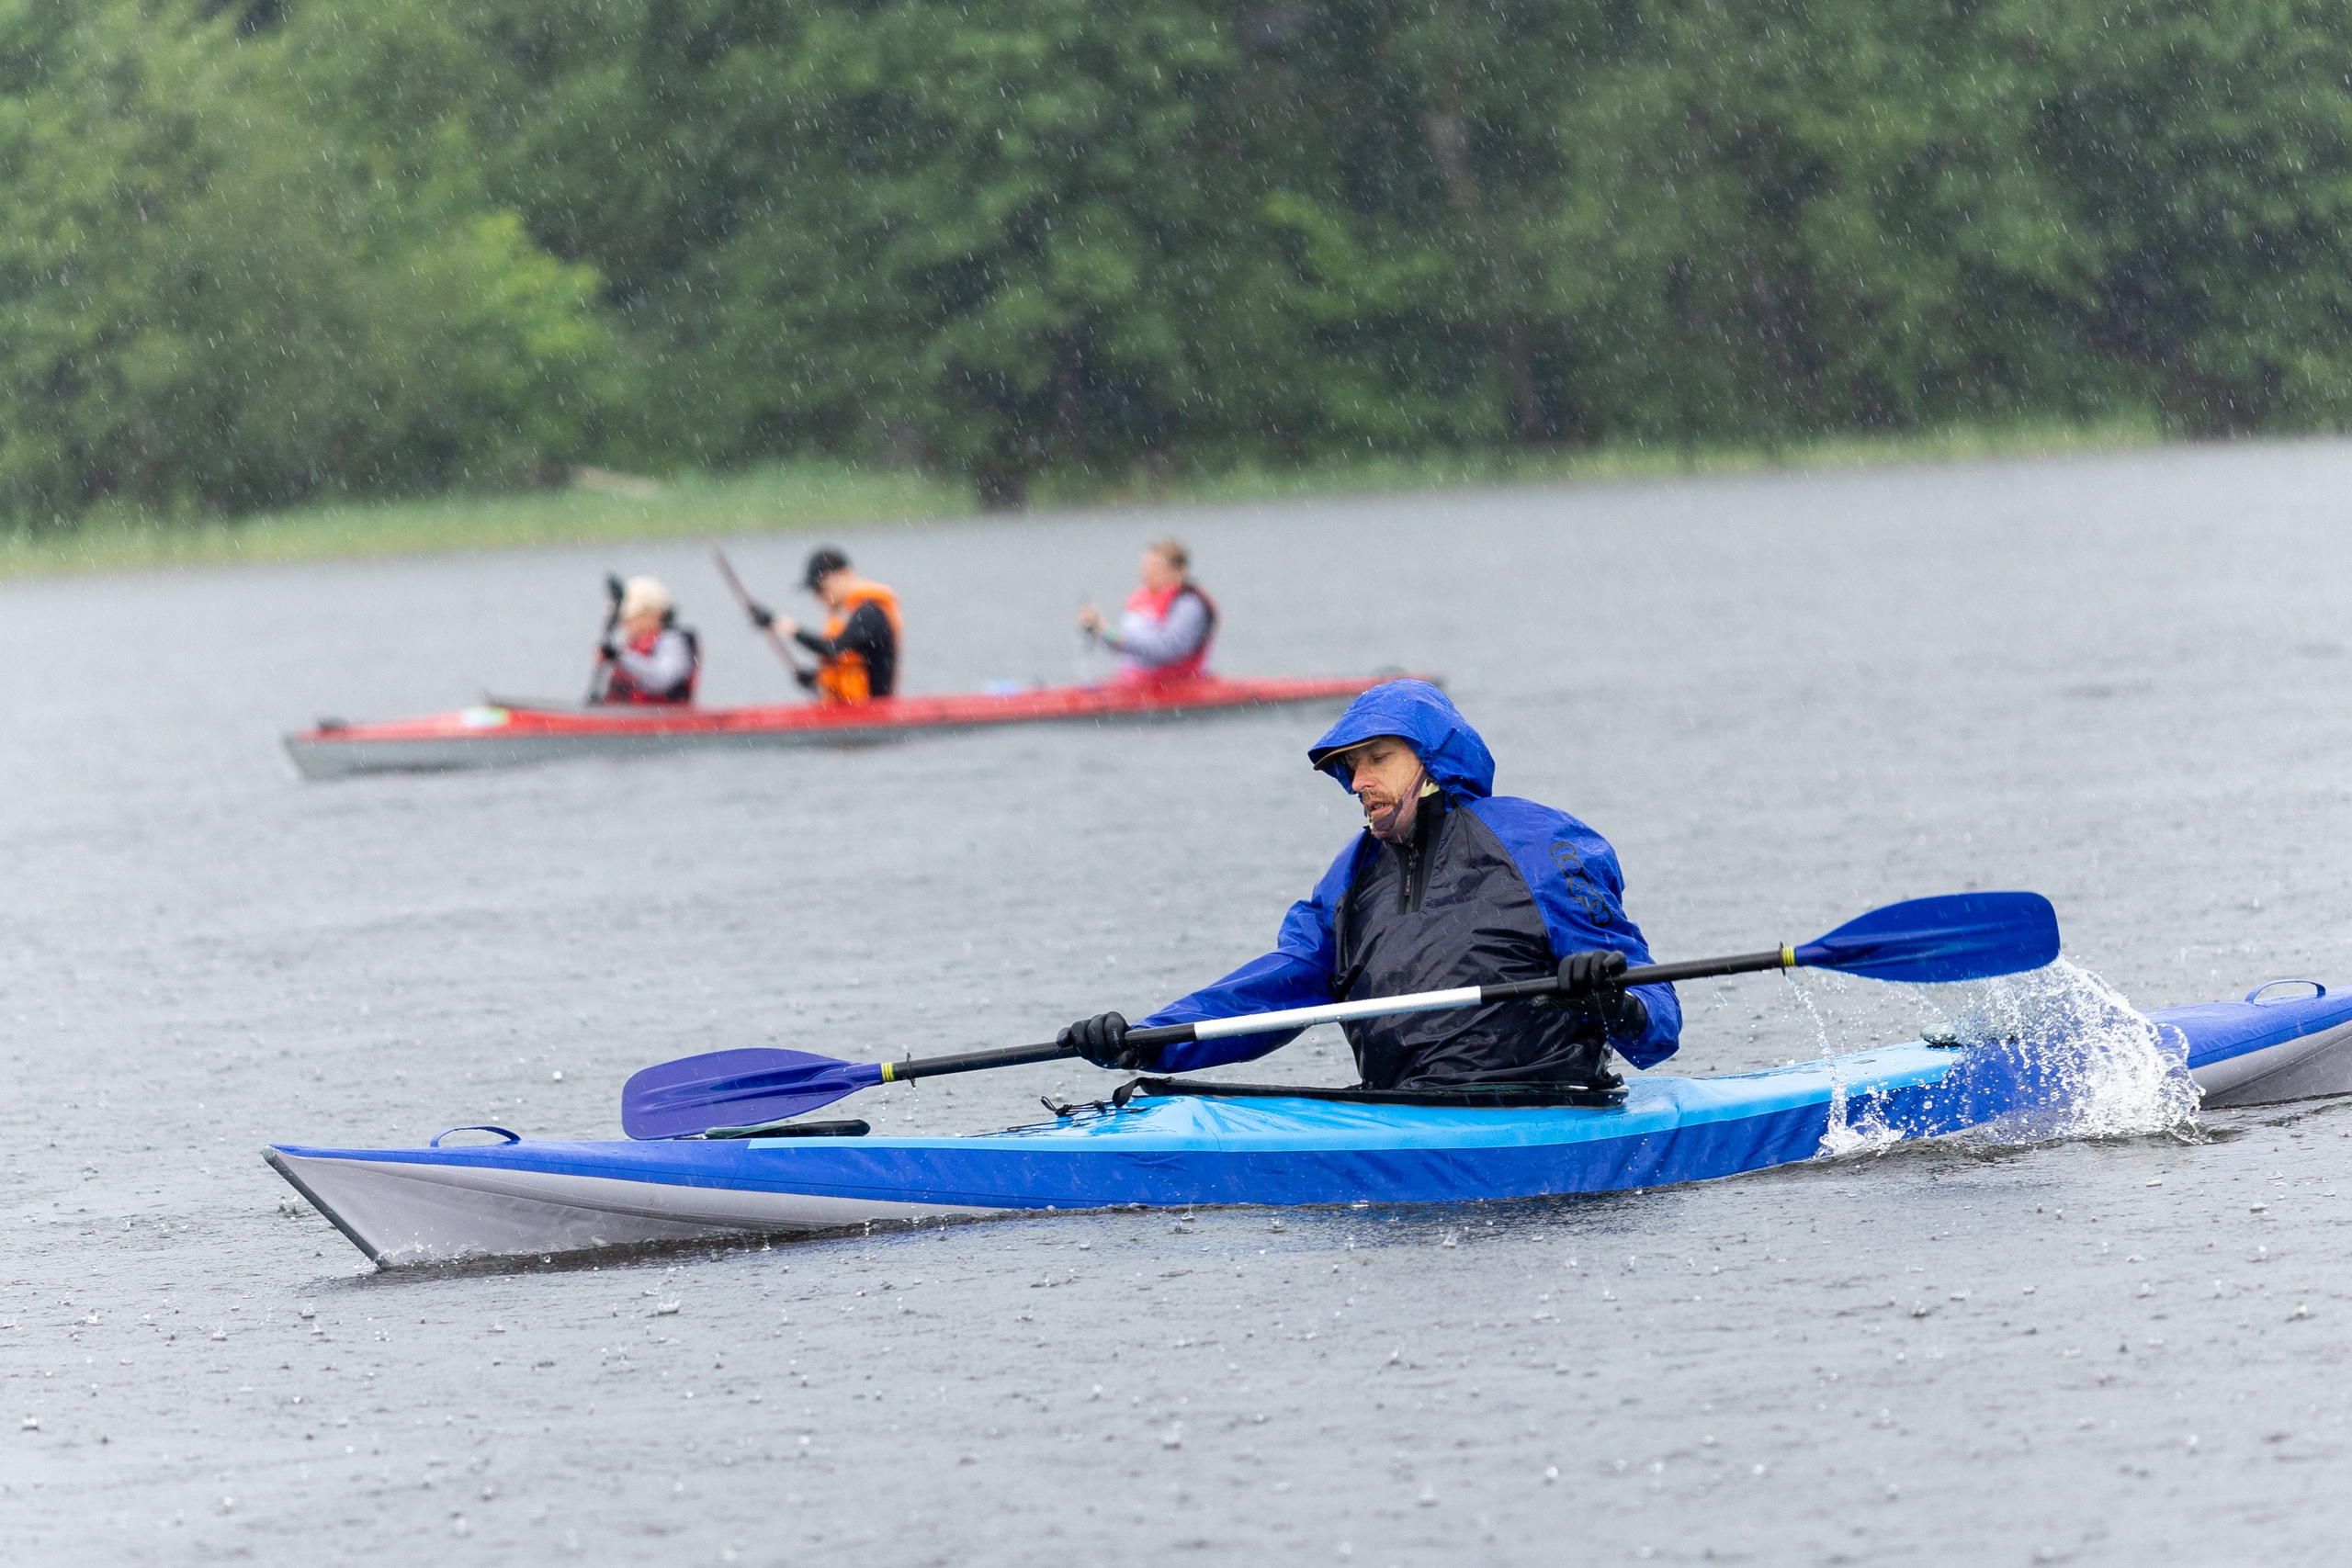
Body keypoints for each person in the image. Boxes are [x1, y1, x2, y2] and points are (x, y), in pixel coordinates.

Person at [1057, 680, 1681, 1089]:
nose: (1358, 782)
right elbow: (1273, 993)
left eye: (1378, 759)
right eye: (1352, 767)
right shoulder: (1349, 877)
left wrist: (1613, 1002)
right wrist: (1145, 1042)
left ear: (1432, 759)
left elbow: (1659, 1024)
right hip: (1396, 1117)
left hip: (1547, 1109)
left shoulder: (1542, 844)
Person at [746, 547, 902, 703]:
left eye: (820, 588)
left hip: (873, 714)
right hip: (852, 712)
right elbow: (847, 663)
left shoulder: (870, 613)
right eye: (813, 591)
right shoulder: (852, 615)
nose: (817, 597)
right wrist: (816, 678)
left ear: (844, 575)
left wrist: (777, 622)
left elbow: (832, 648)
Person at [1076, 537, 1216, 683]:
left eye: (1154, 568)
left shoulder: (1189, 605)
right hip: (1136, 685)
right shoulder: (1141, 600)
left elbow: (1165, 649)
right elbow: (1124, 645)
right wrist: (1097, 628)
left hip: (1176, 686)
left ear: (1179, 571)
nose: (1145, 573)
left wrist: (1108, 631)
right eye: (1144, 567)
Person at [594, 576, 700, 705]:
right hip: (625, 717)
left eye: (631, 617)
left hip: (662, 719)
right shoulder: (630, 646)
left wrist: (620, 656)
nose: (625, 623)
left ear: (654, 614)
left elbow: (662, 679)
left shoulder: (671, 641)